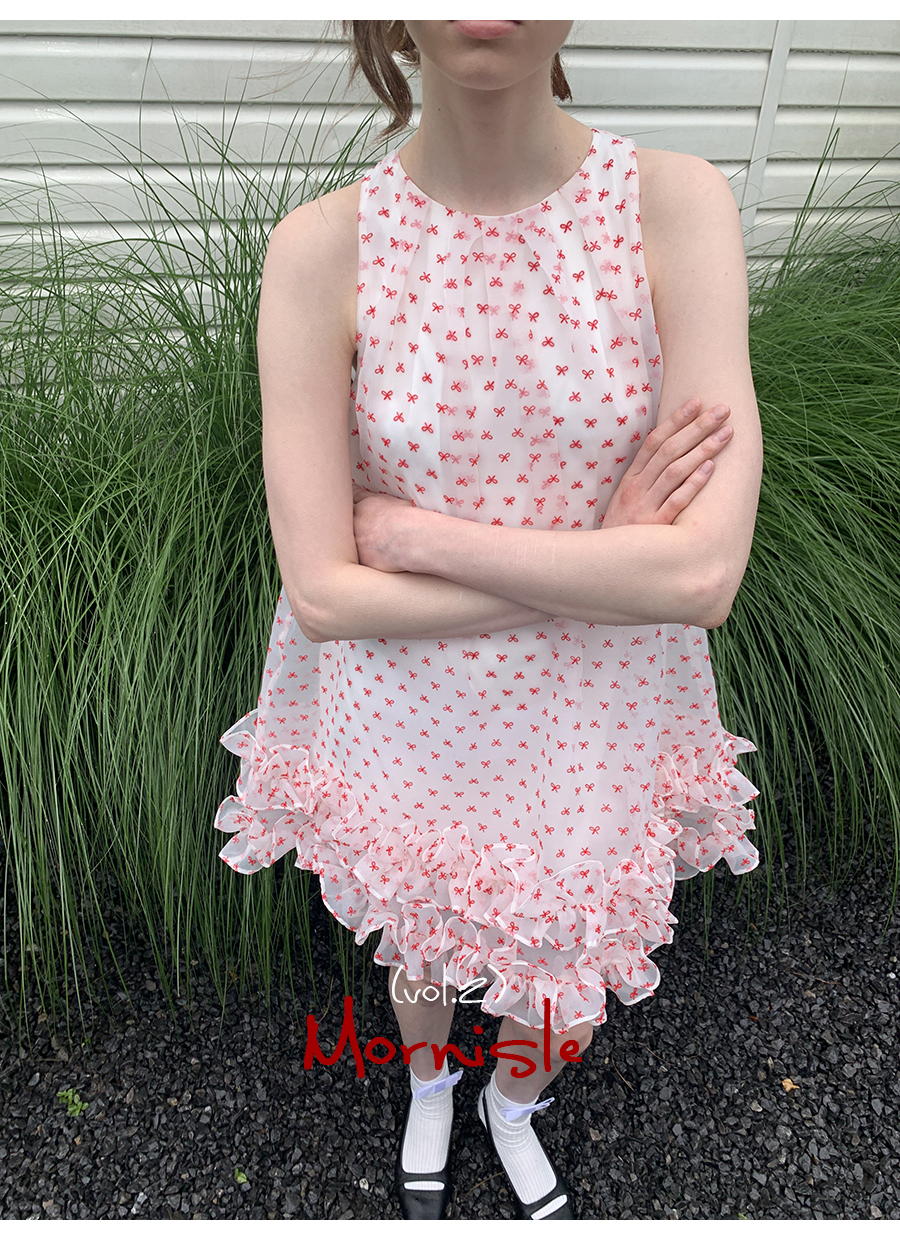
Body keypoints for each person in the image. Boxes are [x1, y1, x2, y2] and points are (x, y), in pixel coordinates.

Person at [214, 19, 763, 1221]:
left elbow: (703, 573)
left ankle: (512, 1102)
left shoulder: (674, 207)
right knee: (420, 935)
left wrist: (418, 536)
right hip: (409, 704)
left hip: (595, 707)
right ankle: (428, 1081)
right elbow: (325, 592)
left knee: (567, 962)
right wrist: (606, 551)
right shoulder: (323, 248)